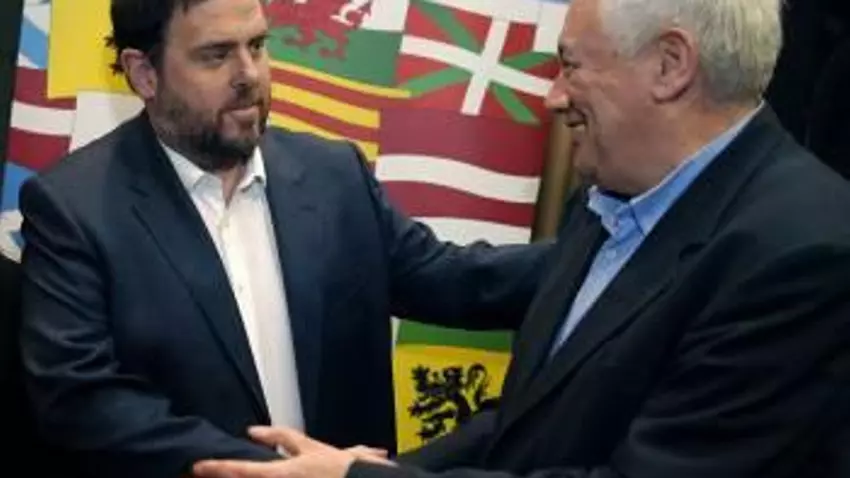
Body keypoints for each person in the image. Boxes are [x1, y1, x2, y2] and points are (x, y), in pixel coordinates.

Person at [191, 0, 850, 477]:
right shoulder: (613, 195)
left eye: (571, 66)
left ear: (670, 65)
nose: (553, 98)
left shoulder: (801, 255)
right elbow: (529, 423)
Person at [16, 0, 551, 476]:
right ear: (144, 73)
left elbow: (457, 280)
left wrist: (591, 257)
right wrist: (285, 473)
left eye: (256, 45)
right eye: (216, 55)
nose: (249, 74)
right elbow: (80, 400)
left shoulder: (335, 175)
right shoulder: (75, 208)